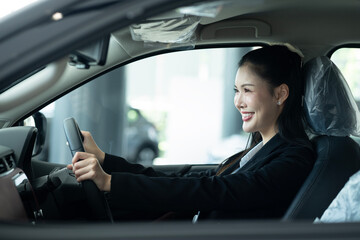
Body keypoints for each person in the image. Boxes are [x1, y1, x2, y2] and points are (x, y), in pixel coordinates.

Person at [67, 45, 315, 221]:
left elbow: (217, 191)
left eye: (247, 90)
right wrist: (105, 160)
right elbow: (189, 181)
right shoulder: (259, 150)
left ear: (281, 94)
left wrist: (110, 182)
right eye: (236, 90)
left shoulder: (294, 158)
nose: (238, 102)